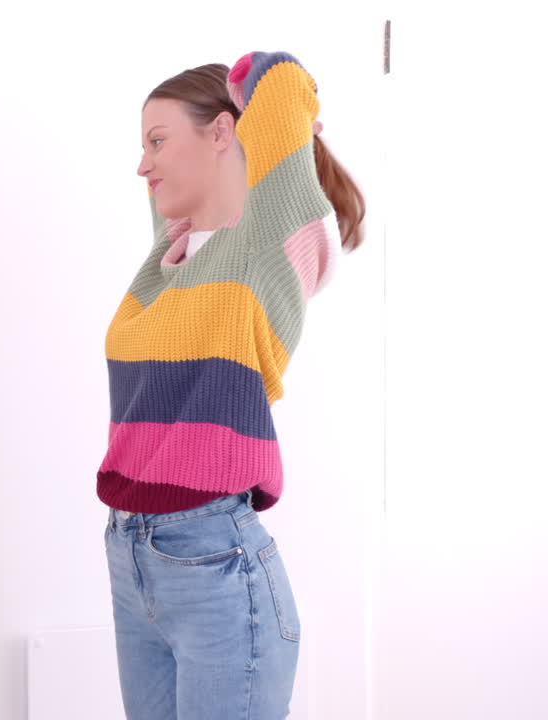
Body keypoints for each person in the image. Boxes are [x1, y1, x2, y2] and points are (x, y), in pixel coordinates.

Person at [99, 51, 365, 719]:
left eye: (157, 142)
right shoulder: (166, 261)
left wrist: (254, 85)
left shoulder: (264, 252)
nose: (142, 165)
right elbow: (173, 199)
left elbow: (283, 83)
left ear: (223, 131)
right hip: (131, 557)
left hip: (214, 562)